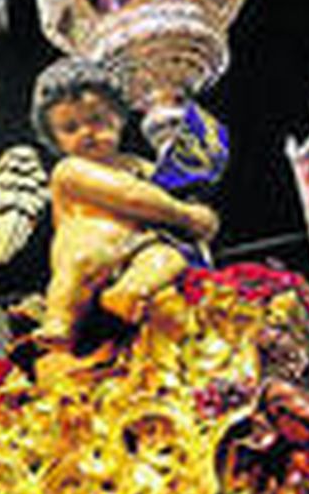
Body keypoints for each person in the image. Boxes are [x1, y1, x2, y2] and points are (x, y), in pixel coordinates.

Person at [22, 57, 218, 367]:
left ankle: (130, 294)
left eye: (97, 120)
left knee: (167, 260)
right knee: (81, 262)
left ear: (119, 117)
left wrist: (195, 207)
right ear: (54, 139)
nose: (87, 132)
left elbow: (172, 192)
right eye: (70, 128)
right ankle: (59, 321)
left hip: (141, 246)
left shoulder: (143, 168)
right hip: (92, 248)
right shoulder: (69, 171)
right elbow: (130, 196)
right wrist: (185, 215)